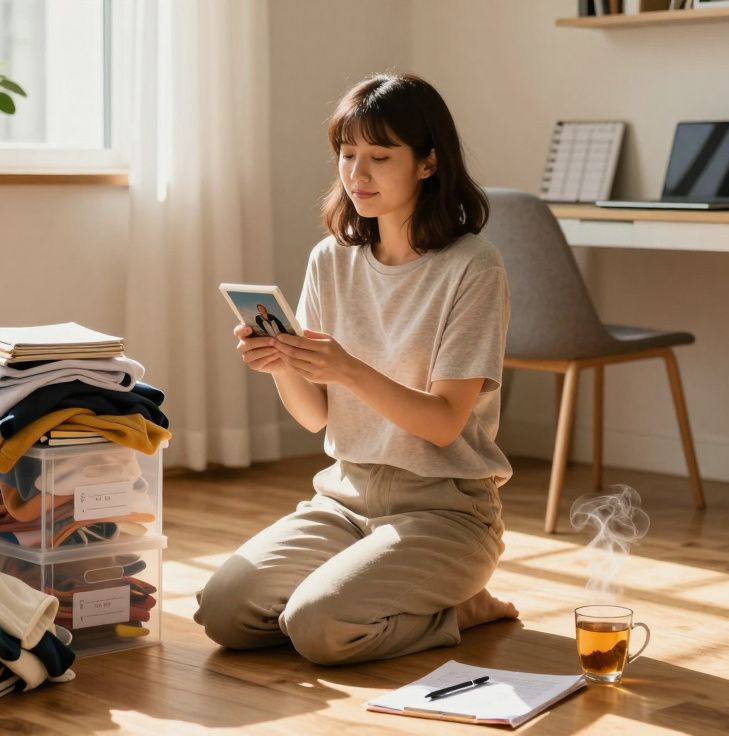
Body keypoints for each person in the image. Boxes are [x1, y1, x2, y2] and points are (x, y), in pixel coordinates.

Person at [194, 73, 518, 666]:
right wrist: (282, 363)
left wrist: (347, 368)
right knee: (224, 612)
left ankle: (460, 609)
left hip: (447, 512)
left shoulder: (474, 267)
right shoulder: (331, 259)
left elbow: (444, 424)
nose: (357, 174)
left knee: (319, 628)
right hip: (345, 500)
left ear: (428, 163)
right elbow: (315, 416)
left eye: (380, 157)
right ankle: (365, 590)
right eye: (347, 155)